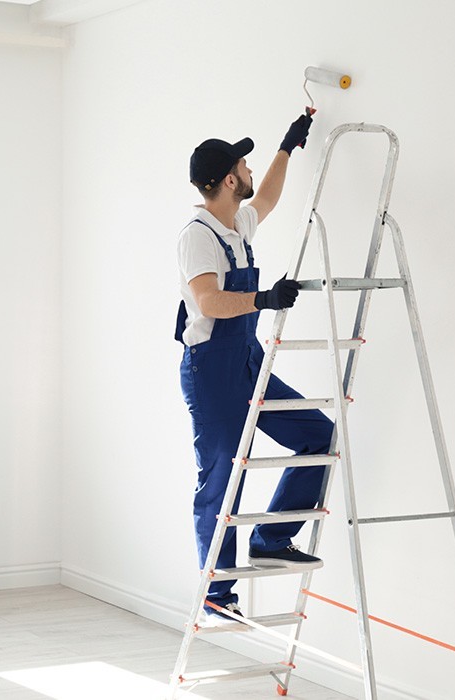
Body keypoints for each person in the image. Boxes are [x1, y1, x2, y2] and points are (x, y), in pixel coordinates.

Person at [175, 112, 335, 620]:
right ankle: (217, 593)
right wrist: (263, 299)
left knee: (320, 436)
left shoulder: (236, 222)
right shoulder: (198, 235)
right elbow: (207, 302)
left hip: (246, 360)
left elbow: (266, 197)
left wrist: (290, 146)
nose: (249, 169)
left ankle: (271, 538)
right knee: (222, 478)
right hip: (212, 370)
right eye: (243, 163)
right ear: (227, 179)